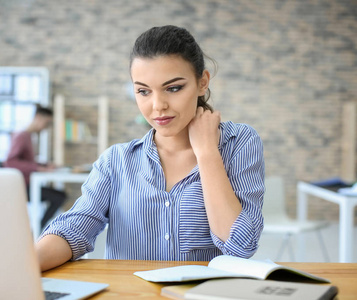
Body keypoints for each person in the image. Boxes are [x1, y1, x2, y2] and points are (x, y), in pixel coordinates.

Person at [36, 25, 265, 271]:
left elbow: (241, 246)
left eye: (174, 88)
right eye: (143, 91)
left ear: (202, 82)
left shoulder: (238, 143)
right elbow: (75, 227)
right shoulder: (116, 160)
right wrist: (19, 264)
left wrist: (207, 152)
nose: (158, 106)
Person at [3, 104, 66, 229]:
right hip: (21, 186)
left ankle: (39, 228)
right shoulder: (22, 136)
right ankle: (39, 229)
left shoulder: (29, 136)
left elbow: (26, 161)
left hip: (27, 184)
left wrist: (45, 165)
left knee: (59, 196)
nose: (46, 127)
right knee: (59, 197)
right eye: (46, 123)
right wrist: (38, 168)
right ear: (38, 117)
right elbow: (10, 162)